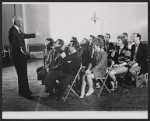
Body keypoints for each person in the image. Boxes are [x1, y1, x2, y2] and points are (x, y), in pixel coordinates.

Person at [8, 16, 41, 99]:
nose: (22, 23)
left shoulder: (17, 30)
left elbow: (24, 35)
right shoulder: (12, 30)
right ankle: (25, 93)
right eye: (21, 22)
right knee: (22, 74)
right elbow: (12, 43)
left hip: (22, 55)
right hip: (18, 56)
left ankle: (24, 91)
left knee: (23, 74)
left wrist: (35, 34)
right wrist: (20, 49)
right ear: (17, 22)